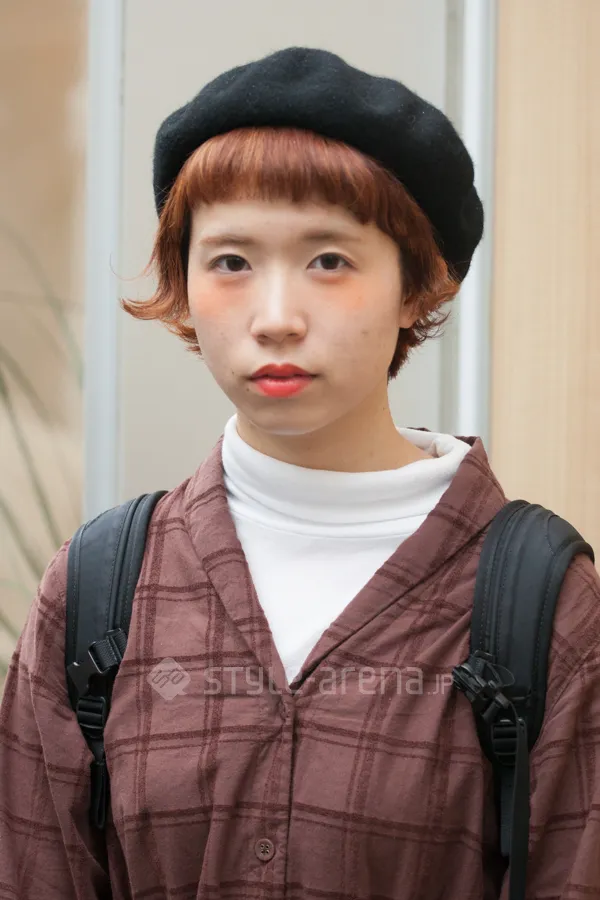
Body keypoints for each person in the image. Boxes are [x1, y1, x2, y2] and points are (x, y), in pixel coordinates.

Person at [1, 45, 599, 900]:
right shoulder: (102, 586)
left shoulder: (539, 600)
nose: (276, 318)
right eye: (231, 262)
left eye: (329, 261)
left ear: (415, 287)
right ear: (184, 284)